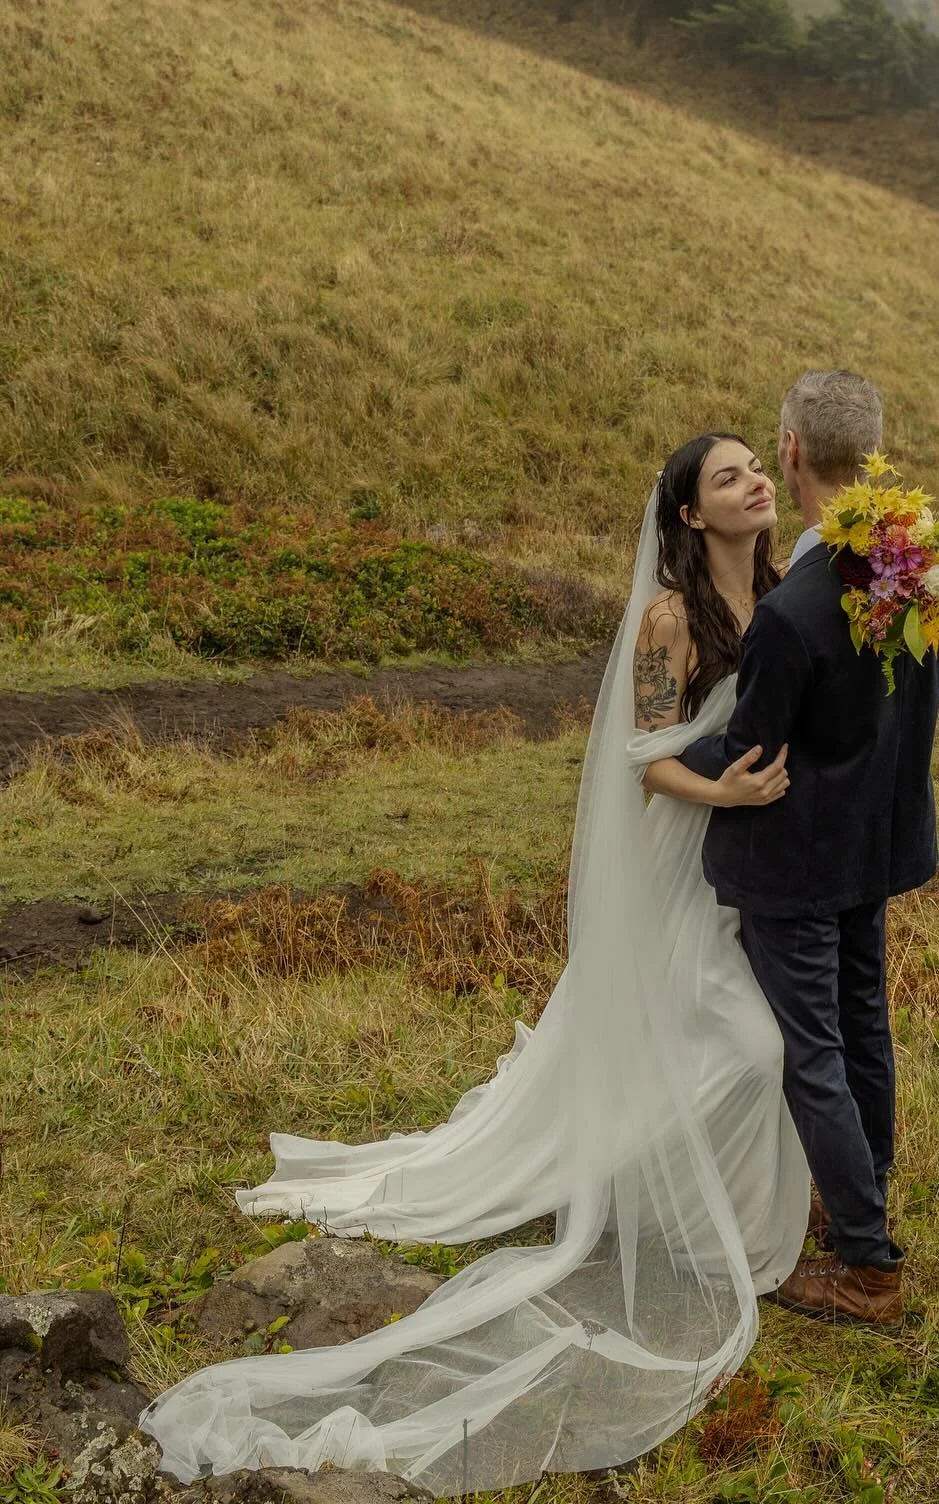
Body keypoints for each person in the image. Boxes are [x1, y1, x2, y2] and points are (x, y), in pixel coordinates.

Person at [141, 431, 810, 1496]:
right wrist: (722, 793)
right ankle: (640, 1193)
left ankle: (694, 1200)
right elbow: (642, 761)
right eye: (725, 477)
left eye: (754, 468)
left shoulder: (781, 587)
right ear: (689, 515)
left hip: (748, 871)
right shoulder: (669, 620)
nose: (752, 484)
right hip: (681, 860)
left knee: (740, 1037)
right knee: (741, 1041)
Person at [678, 370, 939, 1328]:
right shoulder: (912, 561)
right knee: (862, 1023)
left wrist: (663, 758)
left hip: (800, 857)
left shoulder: (794, 609)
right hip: (874, 842)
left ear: (790, 450)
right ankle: (859, 1196)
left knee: (813, 1051)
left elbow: (752, 740)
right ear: (872, 451)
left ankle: (867, 1267)